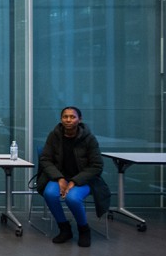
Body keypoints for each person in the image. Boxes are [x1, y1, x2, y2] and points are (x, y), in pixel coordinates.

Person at [37, 106, 111, 247]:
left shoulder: (89, 138)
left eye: (72, 117)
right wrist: (60, 178)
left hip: (83, 179)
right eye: (65, 117)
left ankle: (84, 230)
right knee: (50, 194)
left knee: (73, 198)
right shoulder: (54, 135)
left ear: (79, 119)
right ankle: (64, 229)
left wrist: (74, 182)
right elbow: (45, 159)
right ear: (61, 119)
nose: (68, 120)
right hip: (59, 177)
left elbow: (96, 166)